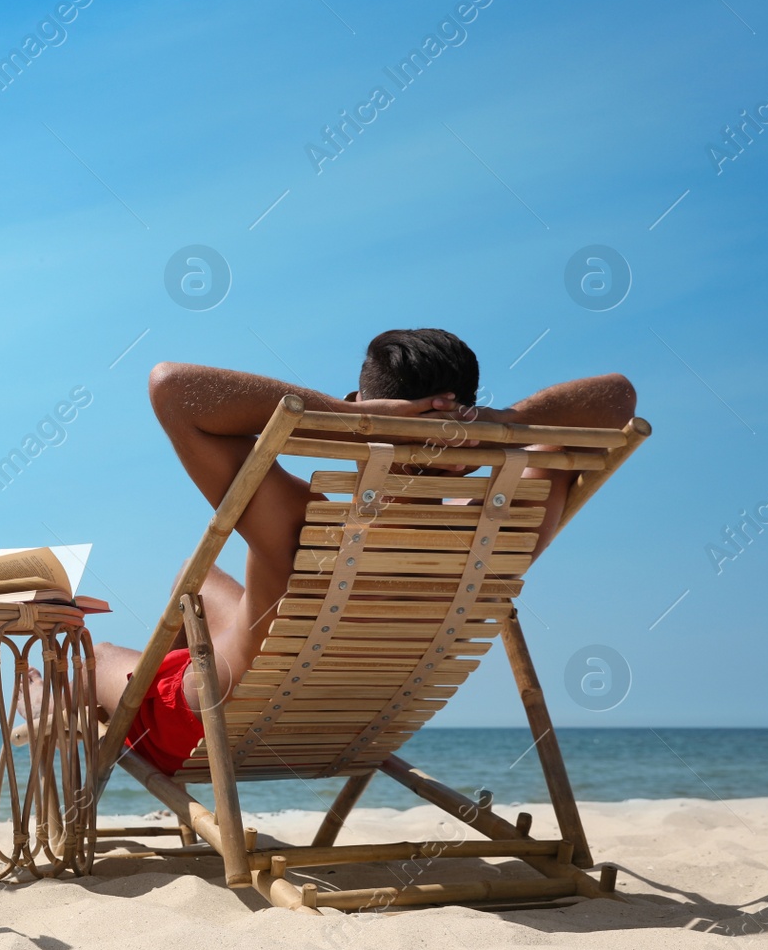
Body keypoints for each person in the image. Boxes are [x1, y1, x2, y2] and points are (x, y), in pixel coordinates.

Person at [80, 328, 637, 774]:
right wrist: (504, 423)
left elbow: (171, 387)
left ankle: (47, 702)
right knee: (194, 579)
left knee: (99, 653)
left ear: (358, 416)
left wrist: (347, 420)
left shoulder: (295, 521)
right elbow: (618, 398)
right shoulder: (498, 530)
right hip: (356, 720)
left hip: (213, 721)